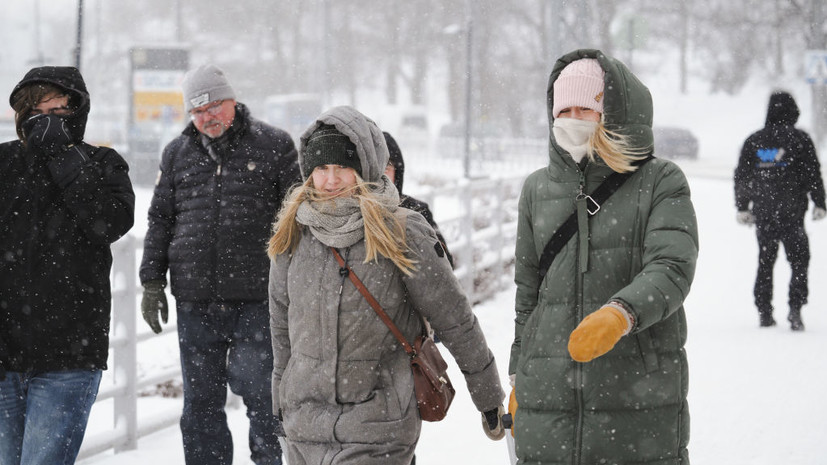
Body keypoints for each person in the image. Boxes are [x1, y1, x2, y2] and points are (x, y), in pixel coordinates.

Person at [267, 105, 505, 464]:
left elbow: (454, 319)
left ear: (364, 169)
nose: (330, 181)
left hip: (378, 427)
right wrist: (280, 403)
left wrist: (488, 397)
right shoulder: (294, 234)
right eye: (321, 169)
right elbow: (282, 329)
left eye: (342, 168)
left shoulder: (401, 231)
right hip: (305, 430)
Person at [508, 49, 698, 464]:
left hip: (636, 389)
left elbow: (673, 266)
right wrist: (518, 373)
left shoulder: (659, 181)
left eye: (585, 108)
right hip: (549, 393)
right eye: (564, 109)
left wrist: (622, 313)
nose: (571, 118)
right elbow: (528, 296)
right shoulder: (537, 190)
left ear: (612, 114)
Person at [139, 64, 300, 465]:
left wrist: (296, 283)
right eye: (197, 111)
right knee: (200, 405)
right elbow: (161, 219)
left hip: (257, 297)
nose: (207, 117)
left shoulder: (274, 145)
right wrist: (152, 281)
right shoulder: (176, 153)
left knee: (264, 397)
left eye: (213, 105)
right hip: (195, 300)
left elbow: (297, 216)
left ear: (232, 100)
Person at [0, 66, 135, 465]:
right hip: (3, 354)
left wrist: (66, 157)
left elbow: (109, 223)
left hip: (69, 355)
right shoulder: (4, 164)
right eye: (42, 113)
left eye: (62, 114)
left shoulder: (104, 163)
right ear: (25, 114)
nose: (52, 124)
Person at [734, 90, 826, 331]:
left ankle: (764, 311)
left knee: (766, 261)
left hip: (764, 214)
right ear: (793, 111)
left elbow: (743, 176)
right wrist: (820, 202)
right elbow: (813, 174)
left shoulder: (754, 140)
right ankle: (795, 309)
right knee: (799, 261)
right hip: (793, 214)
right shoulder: (801, 139)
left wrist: (743, 207)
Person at [383, 131, 454, 268]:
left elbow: (444, 262)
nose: (381, 176)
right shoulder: (353, 213)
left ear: (397, 171)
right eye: (375, 169)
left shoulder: (416, 210)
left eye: (386, 168)